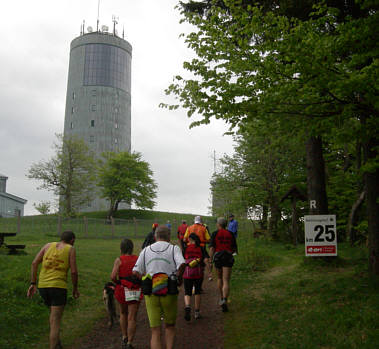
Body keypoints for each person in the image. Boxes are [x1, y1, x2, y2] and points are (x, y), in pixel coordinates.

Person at [133, 226, 185, 349]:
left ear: (155, 236)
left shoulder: (145, 250)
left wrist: (145, 280)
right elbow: (182, 263)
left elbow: (135, 271)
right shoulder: (174, 249)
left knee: (155, 331)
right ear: (168, 237)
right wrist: (179, 277)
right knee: (169, 327)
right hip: (169, 290)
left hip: (151, 292)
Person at [27, 230, 79, 349]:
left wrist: (33, 283)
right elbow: (74, 271)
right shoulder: (70, 249)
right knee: (55, 321)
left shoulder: (47, 246)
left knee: (53, 315)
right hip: (58, 287)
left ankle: (58, 343)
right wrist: (75, 288)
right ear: (72, 240)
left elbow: (34, 263)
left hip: (43, 287)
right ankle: (53, 346)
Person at [111, 238, 142, 349]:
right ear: (132, 248)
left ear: (121, 248)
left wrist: (118, 282)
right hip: (134, 289)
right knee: (132, 317)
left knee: (123, 313)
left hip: (122, 289)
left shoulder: (119, 260)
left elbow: (113, 276)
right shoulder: (137, 259)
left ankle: (124, 336)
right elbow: (141, 274)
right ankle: (130, 342)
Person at [209, 218, 237, 313]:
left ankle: (221, 298)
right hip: (228, 257)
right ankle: (225, 299)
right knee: (226, 280)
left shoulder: (214, 233)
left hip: (218, 257)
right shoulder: (231, 234)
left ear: (218, 224)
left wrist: (210, 259)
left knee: (220, 278)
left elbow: (212, 248)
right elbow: (234, 249)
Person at [183, 233, 206, 321]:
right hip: (198, 273)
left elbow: (182, 260)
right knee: (197, 291)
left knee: (187, 292)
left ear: (191, 239)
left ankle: (188, 306)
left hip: (187, 273)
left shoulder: (186, 248)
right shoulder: (201, 248)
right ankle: (197, 312)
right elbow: (204, 260)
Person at [183, 216, 212, 280]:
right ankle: (210, 274)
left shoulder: (189, 228)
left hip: (189, 247)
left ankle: (184, 273)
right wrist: (203, 241)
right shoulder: (204, 228)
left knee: (185, 259)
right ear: (201, 221)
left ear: (194, 221)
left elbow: (184, 239)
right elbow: (209, 240)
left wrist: (190, 241)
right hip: (201, 247)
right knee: (206, 260)